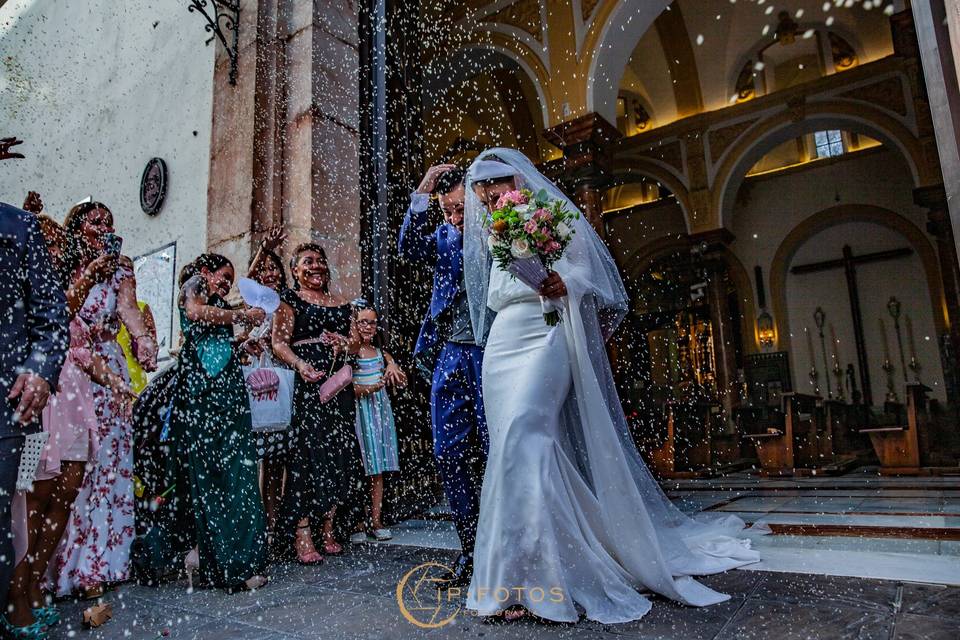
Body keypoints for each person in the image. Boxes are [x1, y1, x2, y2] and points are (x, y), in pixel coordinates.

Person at [461, 149, 761, 623]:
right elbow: (493, 295)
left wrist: (561, 283)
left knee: (525, 433)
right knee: (515, 448)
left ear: (516, 178)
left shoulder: (548, 215)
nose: (488, 194)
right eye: (481, 188)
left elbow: (591, 276)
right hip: (503, 345)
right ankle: (515, 575)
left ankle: (539, 579)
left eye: (495, 182)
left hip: (548, 334)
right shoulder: (490, 231)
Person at [7, 213, 135, 635]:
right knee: (30, 498)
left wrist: (117, 382)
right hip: (36, 397)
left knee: (64, 495)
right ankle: (15, 593)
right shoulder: (45, 276)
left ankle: (35, 585)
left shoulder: (79, 271)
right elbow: (56, 317)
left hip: (75, 396)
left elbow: (79, 348)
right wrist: (89, 276)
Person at [136, 254, 269, 592]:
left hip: (225, 396)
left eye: (230, 279)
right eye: (223, 276)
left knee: (233, 479)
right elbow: (195, 312)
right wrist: (241, 315)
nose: (226, 283)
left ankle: (219, 562)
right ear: (206, 271)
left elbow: (216, 342)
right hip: (206, 400)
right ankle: (230, 567)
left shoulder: (217, 302)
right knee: (220, 481)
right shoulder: (193, 286)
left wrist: (241, 340)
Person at [50, 201, 157, 600]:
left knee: (109, 465)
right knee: (72, 468)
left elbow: (128, 309)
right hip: (72, 369)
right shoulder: (62, 263)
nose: (104, 227)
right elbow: (58, 312)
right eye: (95, 221)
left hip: (110, 369)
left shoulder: (120, 266)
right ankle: (62, 564)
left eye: (109, 221)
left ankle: (101, 561)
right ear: (76, 229)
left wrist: (144, 341)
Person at [398, 165, 489, 586]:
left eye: (458, 210)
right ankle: (469, 551)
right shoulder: (444, 238)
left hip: (493, 352)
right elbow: (408, 246)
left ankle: (498, 551)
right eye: (447, 211)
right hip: (450, 353)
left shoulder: (501, 234)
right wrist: (423, 191)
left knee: (494, 452)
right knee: (448, 453)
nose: (453, 219)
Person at [271, 243, 365, 563]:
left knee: (339, 456)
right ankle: (302, 533)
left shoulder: (342, 303)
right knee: (307, 458)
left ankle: (328, 527)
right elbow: (278, 343)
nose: (316, 266)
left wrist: (344, 342)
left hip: (338, 386)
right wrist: (300, 364)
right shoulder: (290, 300)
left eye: (320, 261)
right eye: (307, 262)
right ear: (295, 271)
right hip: (308, 385)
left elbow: (355, 342)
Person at [0, 201, 68, 638]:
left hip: (9, 400)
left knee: (10, 513)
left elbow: (51, 314)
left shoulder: (18, 225)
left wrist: (41, 368)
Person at [243, 227, 290, 534]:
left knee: (278, 459)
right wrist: (263, 249)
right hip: (258, 378)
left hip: (283, 377)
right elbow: (246, 280)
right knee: (260, 458)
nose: (270, 273)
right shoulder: (255, 307)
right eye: (265, 269)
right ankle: (261, 523)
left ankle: (275, 522)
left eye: (275, 268)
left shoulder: (285, 303)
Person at [348, 303, 406, 543]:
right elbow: (348, 388)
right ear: (354, 323)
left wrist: (393, 368)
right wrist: (371, 387)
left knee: (377, 469)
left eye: (372, 322)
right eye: (362, 321)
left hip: (379, 414)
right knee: (360, 467)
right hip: (361, 413)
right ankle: (357, 520)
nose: (368, 327)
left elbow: (401, 381)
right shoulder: (351, 353)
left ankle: (376, 519)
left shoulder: (382, 354)